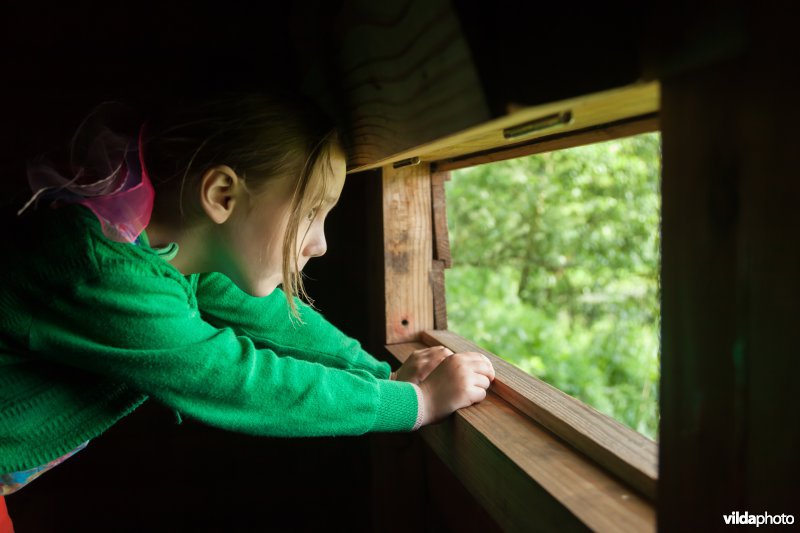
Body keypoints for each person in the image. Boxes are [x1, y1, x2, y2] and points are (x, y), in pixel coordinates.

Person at [0, 90, 495, 506]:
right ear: (221, 195)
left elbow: (270, 318)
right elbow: (238, 381)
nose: (321, 243)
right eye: (310, 213)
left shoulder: (165, 243)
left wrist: (378, 372)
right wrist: (414, 403)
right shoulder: (104, 272)